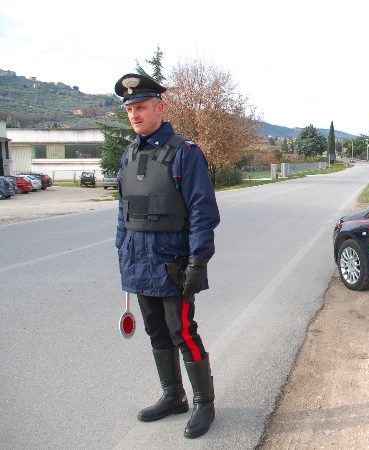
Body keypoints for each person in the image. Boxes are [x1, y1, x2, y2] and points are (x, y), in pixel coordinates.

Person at [114, 73, 220, 439]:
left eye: (140, 106)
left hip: (173, 264)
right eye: (129, 108)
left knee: (182, 332)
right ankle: (173, 396)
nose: (134, 113)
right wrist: (121, 252)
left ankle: (204, 403)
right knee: (156, 331)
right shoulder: (129, 154)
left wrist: (198, 261)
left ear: (159, 107)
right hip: (138, 263)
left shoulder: (184, 153)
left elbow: (203, 211)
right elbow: (123, 211)